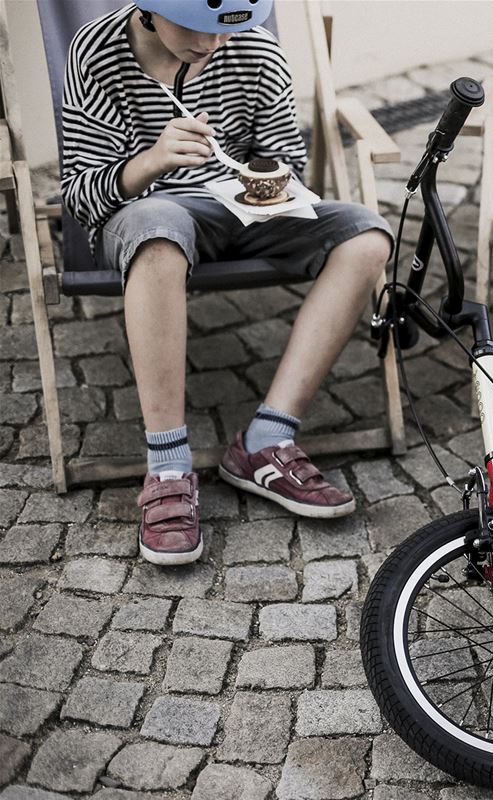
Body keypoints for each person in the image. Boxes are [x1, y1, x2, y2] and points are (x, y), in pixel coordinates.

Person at [61, 1, 394, 565]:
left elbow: (284, 157)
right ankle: (167, 465)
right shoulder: (97, 52)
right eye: (197, 27)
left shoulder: (255, 47)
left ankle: (267, 439)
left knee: (367, 236)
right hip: (144, 211)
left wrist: (267, 180)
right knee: (159, 227)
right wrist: (153, 161)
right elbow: (81, 194)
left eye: (227, 27)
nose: (214, 43)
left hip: (242, 214)